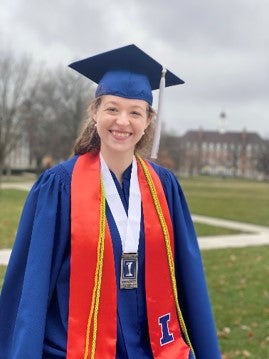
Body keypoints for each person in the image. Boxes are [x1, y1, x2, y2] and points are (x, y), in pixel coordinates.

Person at [0, 44, 221, 358]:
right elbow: (31, 284)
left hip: (152, 348)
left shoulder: (165, 187)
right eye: (112, 109)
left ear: (148, 120)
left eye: (135, 112)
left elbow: (190, 279)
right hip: (75, 349)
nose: (123, 121)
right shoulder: (59, 187)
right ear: (95, 112)